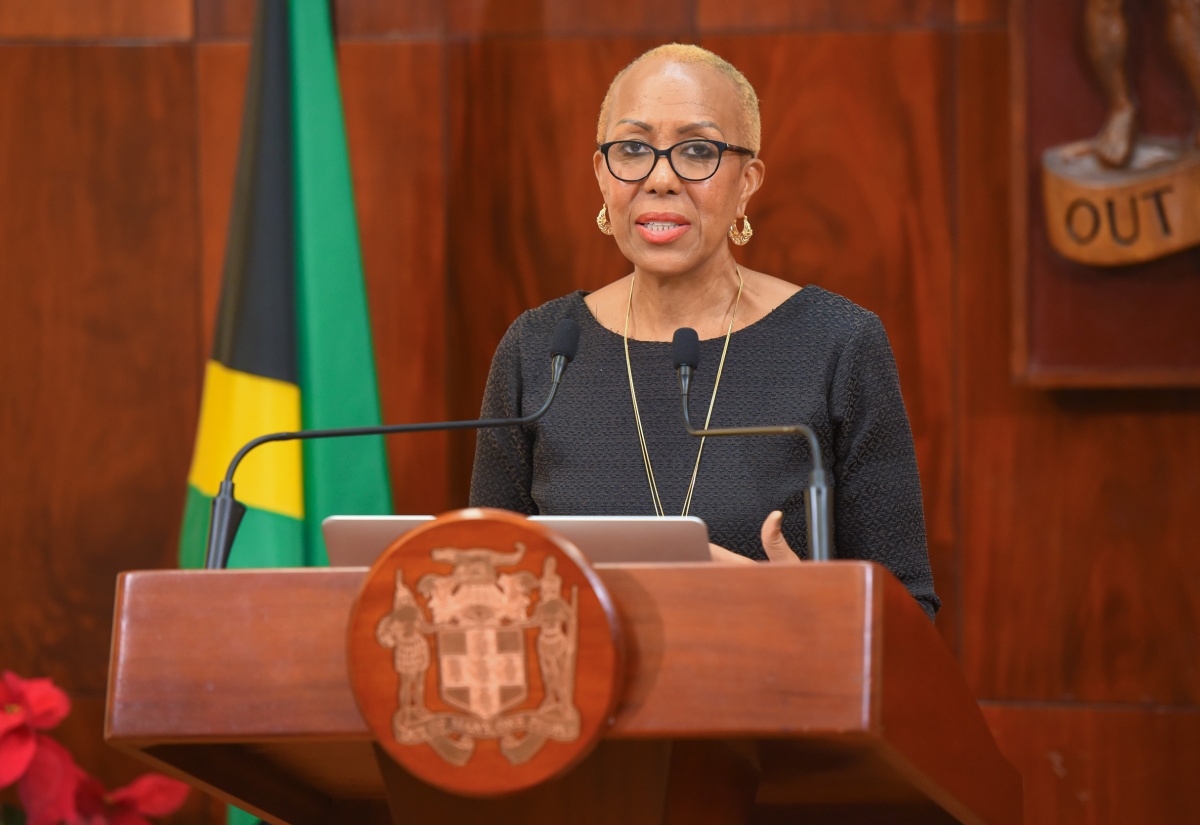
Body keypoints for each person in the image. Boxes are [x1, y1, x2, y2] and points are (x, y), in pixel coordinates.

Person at [469, 44, 939, 620]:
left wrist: (814, 611)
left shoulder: (837, 345)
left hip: (769, 701)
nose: (661, 178)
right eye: (633, 149)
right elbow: (486, 591)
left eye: (697, 151)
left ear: (747, 181)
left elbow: (912, 615)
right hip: (580, 703)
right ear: (602, 175)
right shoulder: (540, 349)